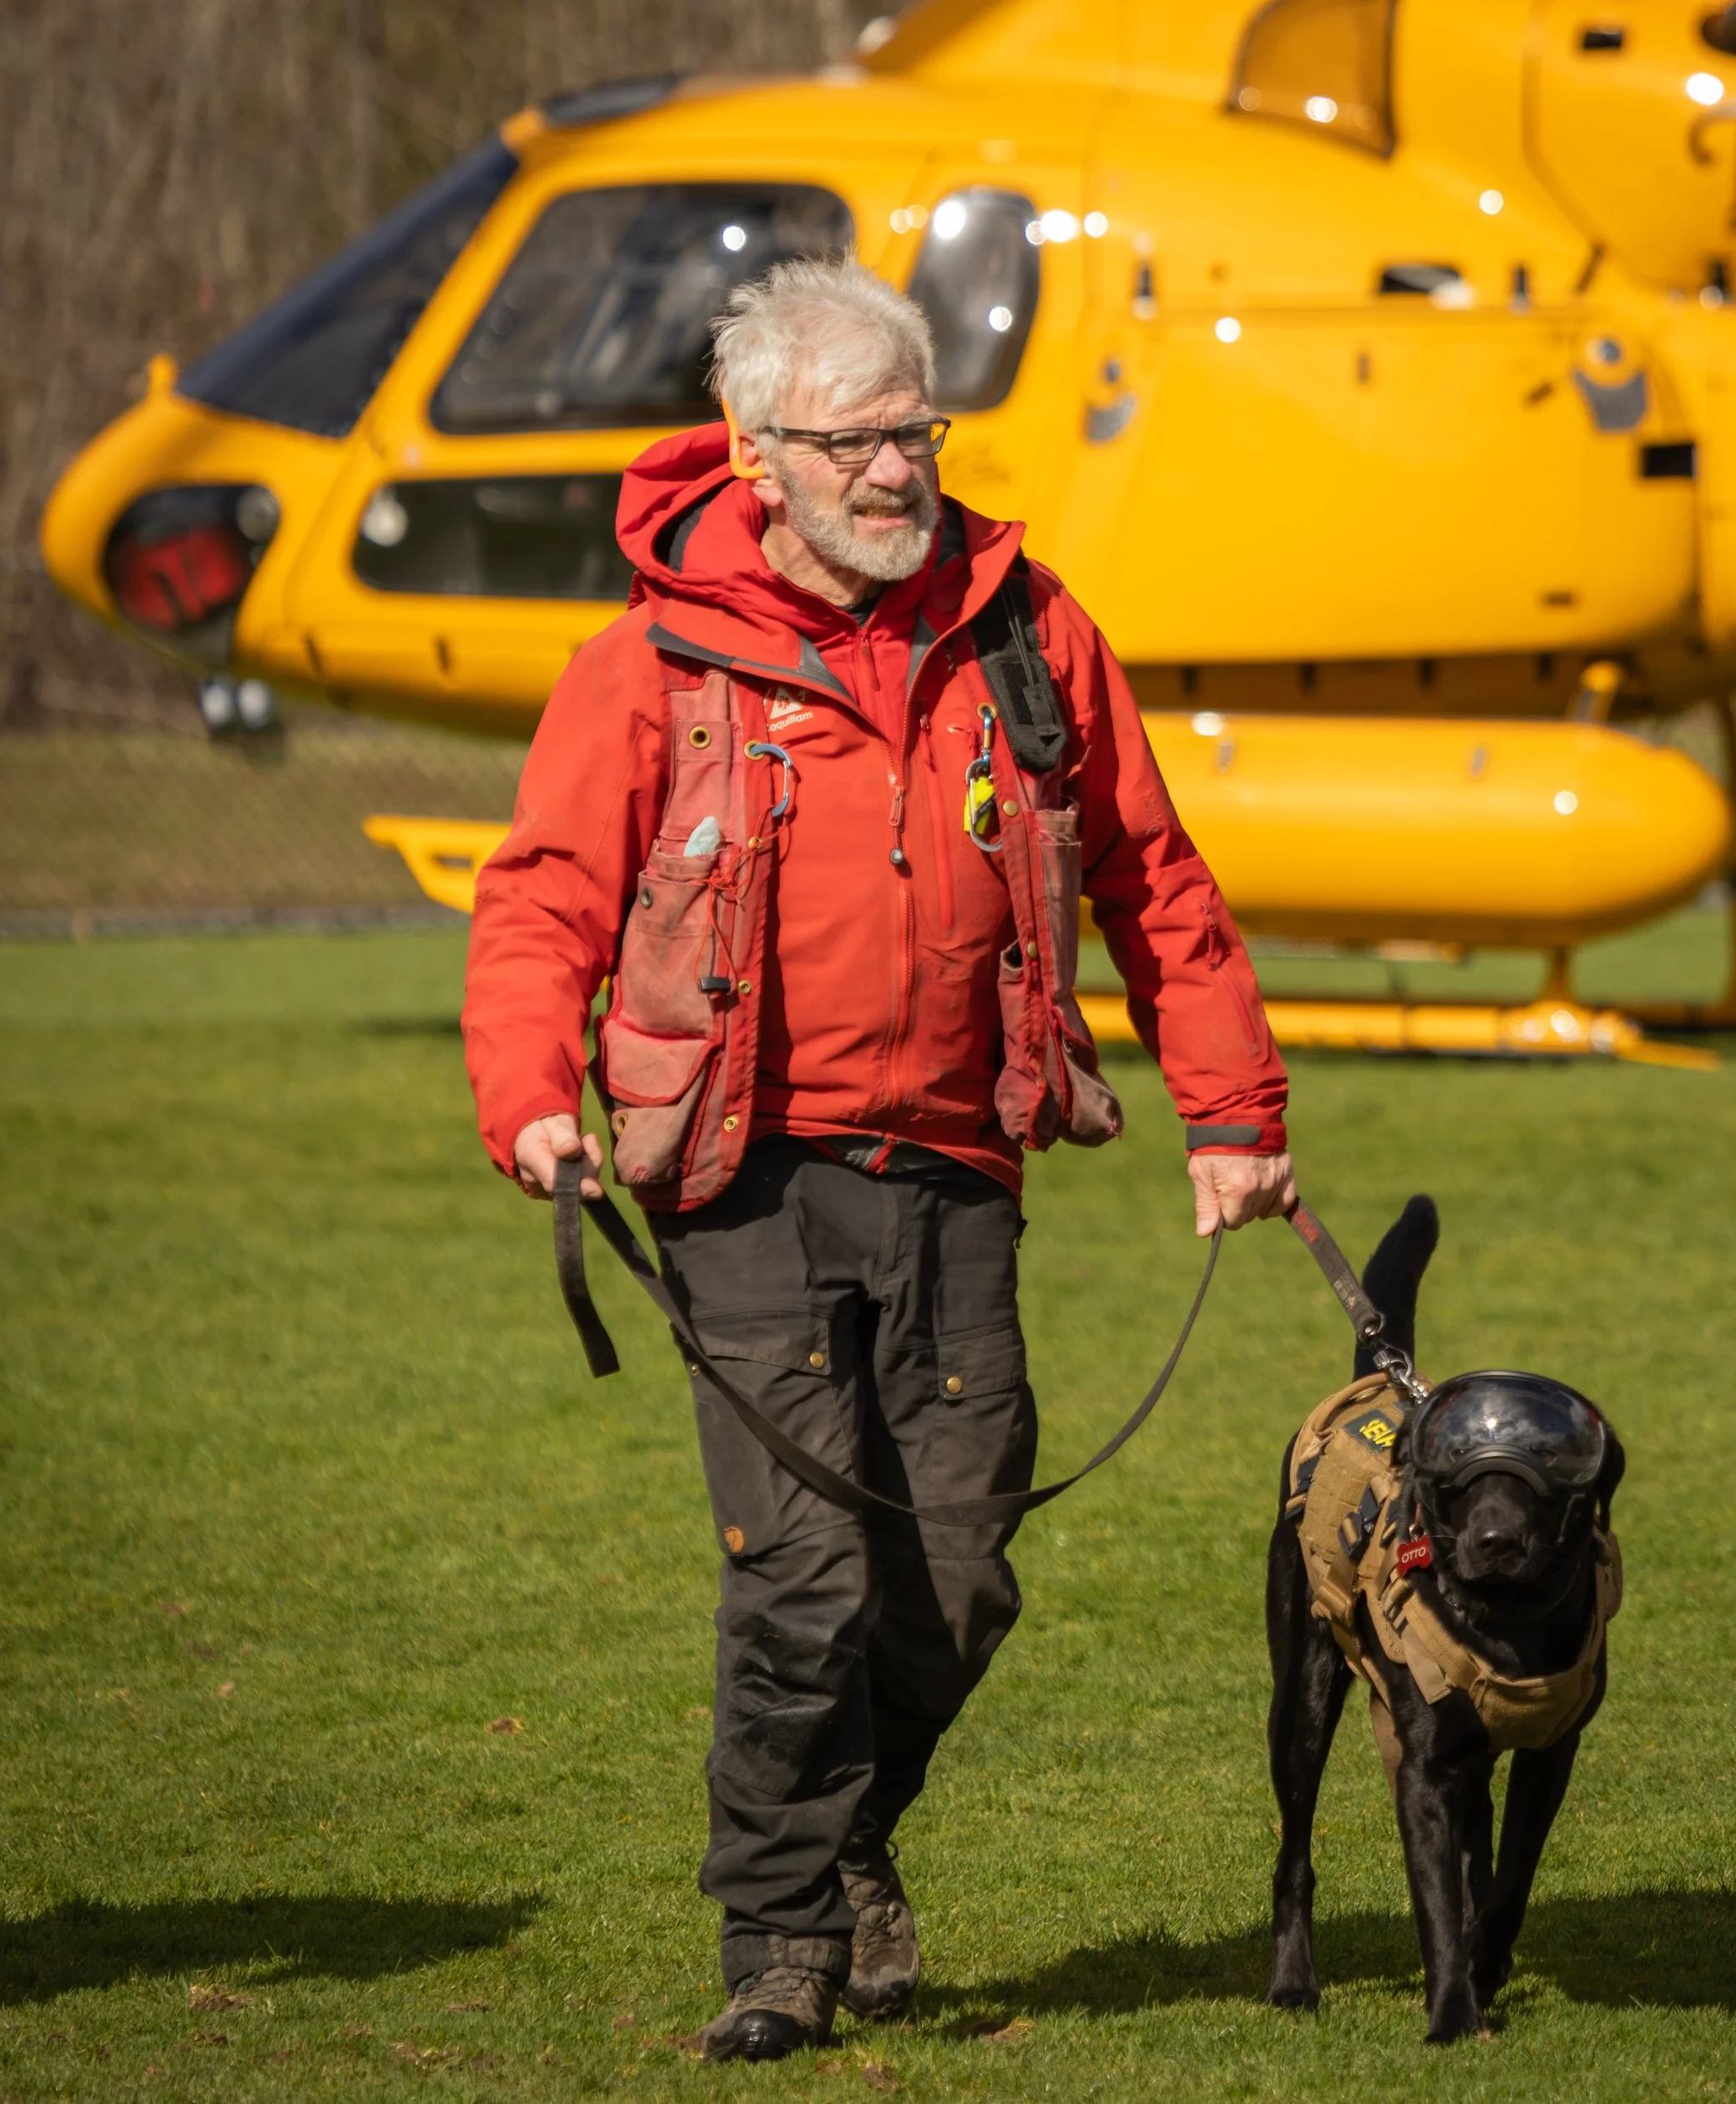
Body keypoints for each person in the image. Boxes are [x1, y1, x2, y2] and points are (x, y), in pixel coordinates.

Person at [462, 258, 1295, 2061]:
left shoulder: (1028, 627)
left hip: (957, 1169)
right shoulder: (652, 658)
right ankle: (776, 1938)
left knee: (964, 1556)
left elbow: (1150, 873)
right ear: (759, 454)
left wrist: (1230, 1111)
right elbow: (541, 896)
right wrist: (529, 1091)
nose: (899, 468)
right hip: (738, 1174)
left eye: (916, 429)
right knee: (804, 1566)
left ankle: (835, 1844)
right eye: (858, 437)